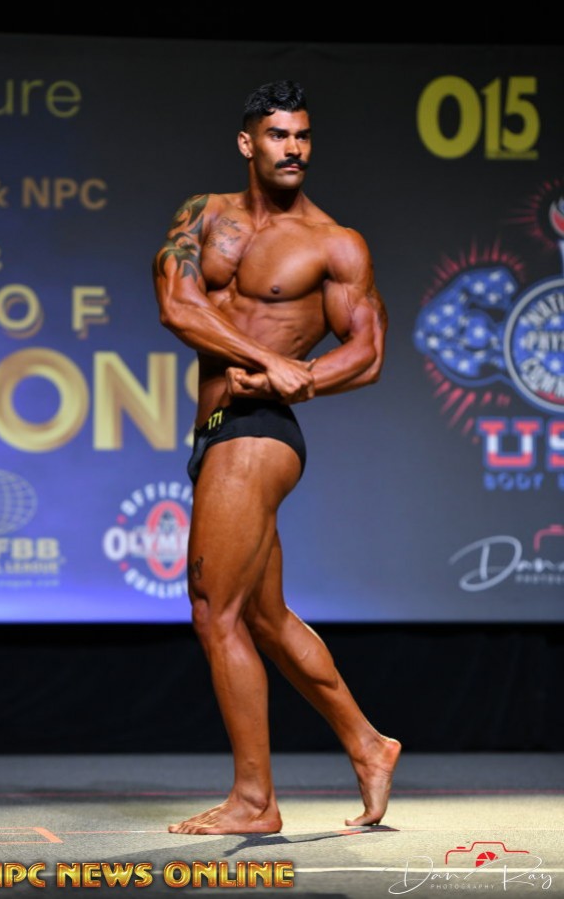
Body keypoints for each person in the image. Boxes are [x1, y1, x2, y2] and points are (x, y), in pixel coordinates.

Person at [152, 79, 401, 835]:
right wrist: (268, 357)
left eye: (302, 135)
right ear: (248, 142)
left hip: (258, 432)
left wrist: (304, 377)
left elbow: (368, 351)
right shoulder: (204, 215)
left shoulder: (334, 243)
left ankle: (256, 800)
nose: (293, 148)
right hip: (216, 427)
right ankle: (369, 744)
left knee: (213, 609)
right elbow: (177, 306)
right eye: (278, 134)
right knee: (263, 615)